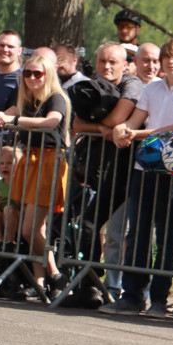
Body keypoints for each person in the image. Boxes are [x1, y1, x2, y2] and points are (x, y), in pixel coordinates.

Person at [100, 38, 173, 316]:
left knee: (166, 236)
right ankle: (132, 296)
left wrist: (136, 134)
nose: (170, 61)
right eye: (166, 56)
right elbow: (135, 120)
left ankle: (158, 298)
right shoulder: (153, 87)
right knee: (138, 233)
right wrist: (122, 129)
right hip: (144, 166)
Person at [65, 43, 145, 307]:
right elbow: (76, 124)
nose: (106, 67)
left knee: (124, 235)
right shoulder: (92, 85)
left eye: (112, 62)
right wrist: (100, 127)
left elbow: (118, 119)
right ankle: (89, 287)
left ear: (125, 64)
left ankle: (130, 293)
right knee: (87, 226)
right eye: (102, 61)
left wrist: (101, 123)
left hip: (131, 172)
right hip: (102, 170)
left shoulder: (132, 85)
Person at [0, 55, 72, 299]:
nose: (31, 78)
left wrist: (14, 119)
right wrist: (3, 117)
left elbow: (52, 121)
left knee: (30, 228)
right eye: (27, 73)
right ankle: (41, 282)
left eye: (37, 73)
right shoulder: (25, 98)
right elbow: (5, 114)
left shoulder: (56, 97)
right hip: (27, 160)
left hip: (49, 161)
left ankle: (57, 275)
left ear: (48, 74)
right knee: (32, 226)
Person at [0, 30, 23, 111]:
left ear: (19, 51)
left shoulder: (26, 78)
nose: (5, 49)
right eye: (1, 45)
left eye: (10, 46)